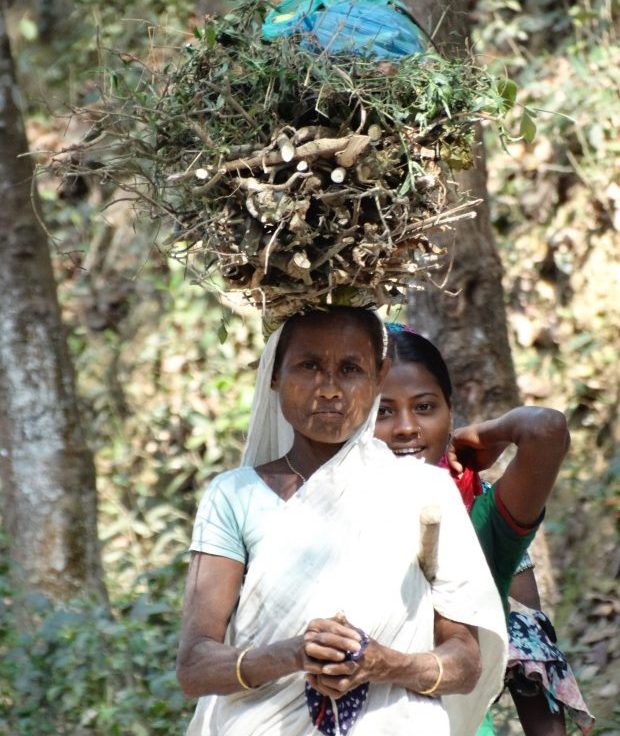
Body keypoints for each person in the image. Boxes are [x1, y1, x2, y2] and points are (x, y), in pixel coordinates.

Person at [177, 307, 508, 736]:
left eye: (350, 369)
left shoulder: (426, 492)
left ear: (378, 374)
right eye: (310, 366)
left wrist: (385, 663)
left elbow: (464, 662)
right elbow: (195, 666)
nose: (329, 389)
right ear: (274, 374)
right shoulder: (233, 496)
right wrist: (294, 655)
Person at [374, 323, 595, 736]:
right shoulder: (323, 516)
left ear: (450, 411)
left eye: (425, 407)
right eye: (382, 411)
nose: (405, 427)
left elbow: (546, 430)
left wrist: (482, 435)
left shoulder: (474, 519)